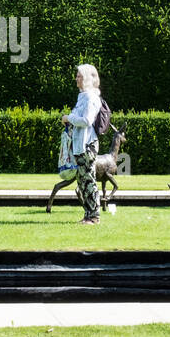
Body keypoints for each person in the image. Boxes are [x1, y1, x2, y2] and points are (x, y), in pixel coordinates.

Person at [62, 63, 103, 225]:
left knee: (88, 180)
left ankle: (94, 216)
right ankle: (88, 214)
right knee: (82, 181)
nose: (76, 78)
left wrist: (68, 118)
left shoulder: (91, 97)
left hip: (87, 145)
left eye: (79, 76)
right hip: (80, 145)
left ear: (86, 78)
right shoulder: (83, 96)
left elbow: (86, 120)